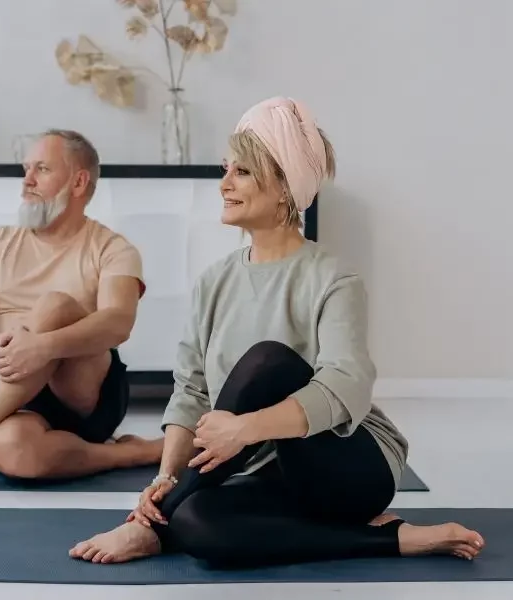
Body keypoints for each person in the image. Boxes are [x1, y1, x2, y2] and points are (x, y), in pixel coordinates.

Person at [69, 98, 485, 566]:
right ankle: (399, 540)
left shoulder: (332, 277)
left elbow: (347, 383)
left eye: (242, 172)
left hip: (350, 469)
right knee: (196, 524)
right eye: (227, 169)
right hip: (270, 476)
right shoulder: (214, 281)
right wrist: (165, 478)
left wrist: (245, 429)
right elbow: (191, 392)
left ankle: (144, 526)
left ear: (284, 187)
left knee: (267, 361)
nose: (224, 183)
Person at [0, 129, 163, 500]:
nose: (27, 180)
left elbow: (118, 322)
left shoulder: (113, 248)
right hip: (14, 390)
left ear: (78, 181)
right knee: (11, 452)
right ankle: (131, 452)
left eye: (41, 168)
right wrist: (2, 348)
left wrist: (43, 347)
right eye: (27, 168)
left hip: (85, 391)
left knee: (55, 305)